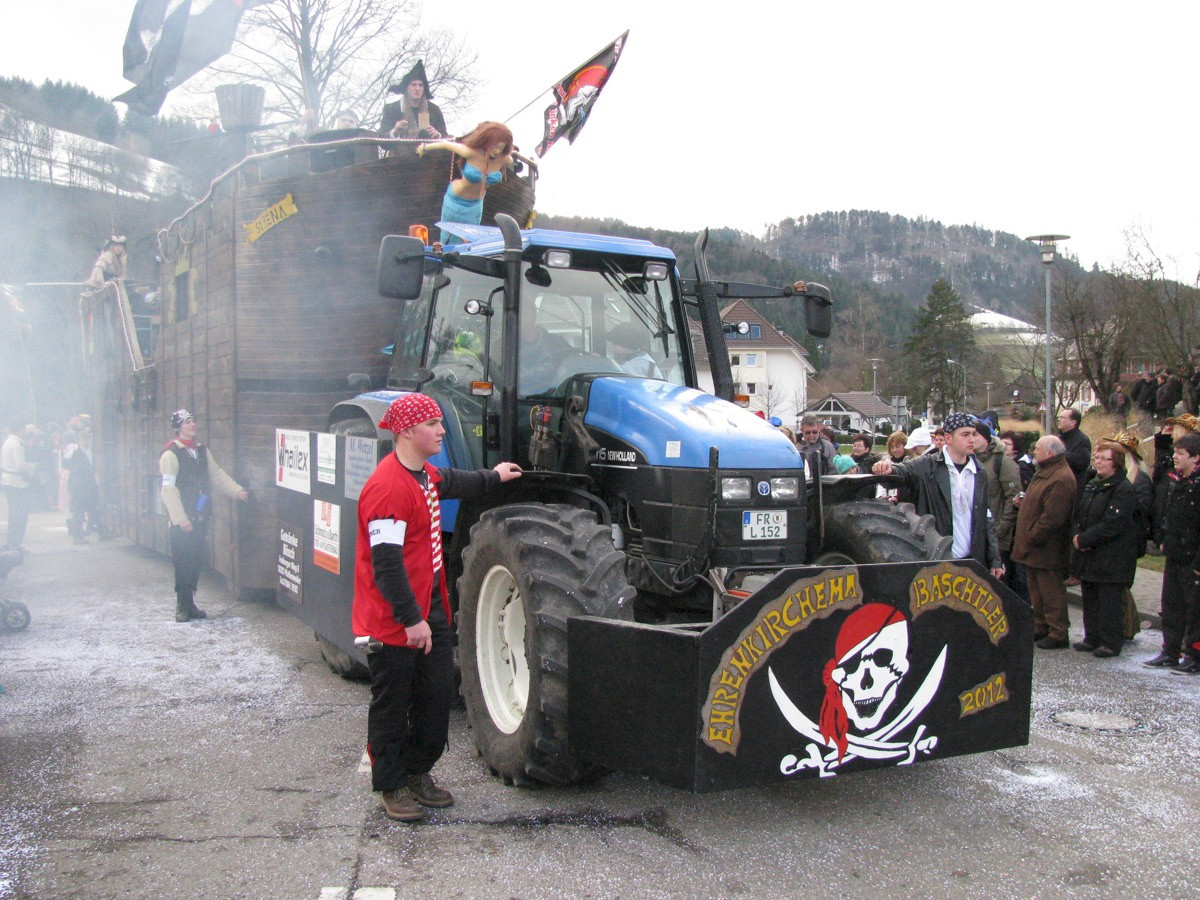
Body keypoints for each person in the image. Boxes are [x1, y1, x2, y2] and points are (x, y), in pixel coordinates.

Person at [352, 393, 522, 821]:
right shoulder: (387, 488)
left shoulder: (424, 475)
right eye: (433, 424)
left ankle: (417, 771)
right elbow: (386, 563)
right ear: (408, 431)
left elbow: (452, 481)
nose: (442, 431)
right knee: (392, 704)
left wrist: (494, 476)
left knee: (436, 696)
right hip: (395, 619)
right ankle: (392, 784)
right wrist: (411, 620)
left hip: (429, 610)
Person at [871, 413, 1003, 577]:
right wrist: (886, 469)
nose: (972, 440)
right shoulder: (927, 465)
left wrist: (995, 559)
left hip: (972, 562)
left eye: (973, 434)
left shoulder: (979, 471)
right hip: (937, 561)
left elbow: (986, 517)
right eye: (965, 434)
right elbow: (902, 472)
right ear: (948, 438)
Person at [159, 410, 248, 622]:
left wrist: (236, 491)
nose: (193, 425)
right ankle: (182, 606)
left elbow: (217, 475)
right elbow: (168, 490)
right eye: (187, 422)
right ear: (179, 427)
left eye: (193, 421)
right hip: (181, 521)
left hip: (199, 516)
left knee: (196, 561)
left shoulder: (201, 451)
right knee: (182, 562)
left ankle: (190, 604)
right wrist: (181, 519)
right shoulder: (170, 454)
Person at [1071, 442, 1141, 658]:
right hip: (1089, 553)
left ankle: (1110, 641)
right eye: (1096, 458)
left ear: (1116, 463)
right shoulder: (1093, 483)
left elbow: (1113, 523)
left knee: (1108, 600)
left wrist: (1086, 538)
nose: (1098, 462)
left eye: (1104, 458)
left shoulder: (1123, 488)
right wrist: (1077, 535)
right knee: (1090, 596)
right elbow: (1079, 512)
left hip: (1112, 555)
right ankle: (1092, 637)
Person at [1011, 436, 1076, 647]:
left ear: (1049, 453)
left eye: (1037, 449)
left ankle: (1058, 632)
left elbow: (1052, 517)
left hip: (1047, 547)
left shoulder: (1061, 477)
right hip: (1034, 548)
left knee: (1051, 592)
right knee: (1036, 591)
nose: (1034, 453)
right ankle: (1041, 626)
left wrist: (1032, 536)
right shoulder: (1046, 472)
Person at [1143, 432, 1200, 672]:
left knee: (1194, 610)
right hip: (1174, 553)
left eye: (1181, 453)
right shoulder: (1176, 481)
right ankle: (1170, 651)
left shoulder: (1196, 485)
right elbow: (1167, 513)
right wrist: (1163, 538)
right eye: (1175, 452)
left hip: (1192, 557)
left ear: (1196, 458)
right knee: (1171, 606)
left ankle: (1195, 655)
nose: (1175, 457)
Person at [417, 122, 514, 243]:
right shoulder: (470, 152)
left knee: (470, 240)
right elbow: (445, 144)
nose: (497, 151)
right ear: (487, 141)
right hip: (456, 201)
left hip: (476, 205)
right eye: (494, 146)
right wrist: (424, 148)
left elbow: (511, 157)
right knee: (449, 239)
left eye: (501, 148)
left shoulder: (504, 159)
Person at [973, 417, 1022, 599]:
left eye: (975, 435)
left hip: (998, 536)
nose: (971, 439)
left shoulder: (1002, 462)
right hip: (977, 535)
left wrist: (1000, 530)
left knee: (999, 587)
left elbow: (1013, 499)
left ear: (986, 438)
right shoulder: (968, 460)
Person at [381, 60, 447, 140]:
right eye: (413, 85)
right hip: (400, 148)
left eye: (420, 85)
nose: (417, 89)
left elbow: (445, 137)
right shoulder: (392, 109)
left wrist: (437, 135)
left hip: (428, 148)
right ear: (406, 88)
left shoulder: (434, 110)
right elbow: (381, 138)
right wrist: (394, 132)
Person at [62, 421, 104, 542]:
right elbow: (74, 470)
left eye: (87, 438)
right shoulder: (77, 453)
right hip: (80, 486)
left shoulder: (88, 452)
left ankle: (100, 531)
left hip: (88, 485)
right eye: (83, 439)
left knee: (93, 508)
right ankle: (78, 536)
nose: (86, 441)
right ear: (79, 440)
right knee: (80, 511)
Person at [1, 420, 38, 551]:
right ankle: (15, 543)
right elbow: (20, 465)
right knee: (20, 515)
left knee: (14, 514)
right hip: (17, 483)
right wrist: (33, 466)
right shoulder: (17, 444)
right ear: (21, 429)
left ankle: (13, 543)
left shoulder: (8, 442)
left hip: (8, 481)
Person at [1056, 408, 1092, 489]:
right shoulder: (1058, 438)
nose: (1059, 419)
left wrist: (1059, 454)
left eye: (1062, 418)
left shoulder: (1082, 440)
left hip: (1072, 485)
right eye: (1059, 417)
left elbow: (1082, 461)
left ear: (1073, 422)